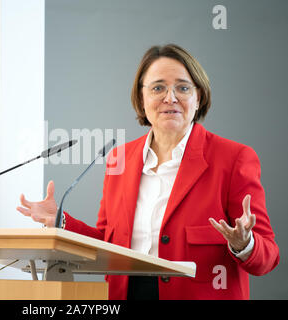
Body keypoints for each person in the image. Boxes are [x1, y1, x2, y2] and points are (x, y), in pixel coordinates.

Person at [16, 44, 280, 300]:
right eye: (158, 88)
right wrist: (61, 222)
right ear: (142, 100)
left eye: (183, 88)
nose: (170, 97)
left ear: (198, 97)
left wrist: (244, 243)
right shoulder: (119, 159)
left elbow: (267, 258)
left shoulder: (233, 158)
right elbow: (107, 242)